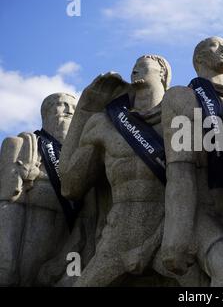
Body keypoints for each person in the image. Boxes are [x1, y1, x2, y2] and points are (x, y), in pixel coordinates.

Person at [60, 55, 174, 286]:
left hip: (168, 226)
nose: (134, 70)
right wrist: (86, 109)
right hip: (118, 232)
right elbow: (70, 186)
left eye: (143, 65)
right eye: (133, 66)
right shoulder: (105, 123)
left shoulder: (178, 117)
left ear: (163, 73)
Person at [161, 37, 223, 286]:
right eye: (215, 46)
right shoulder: (183, 97)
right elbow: (180, 170)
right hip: (202, 211)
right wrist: (177, 234)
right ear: (198, 59)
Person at [0, 93, 77, 286]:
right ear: (46, 112)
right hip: (30, 232)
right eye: (62, 105)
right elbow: (9, 198)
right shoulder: (25, 145)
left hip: (69, 237)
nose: (69, 110)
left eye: (74, 108)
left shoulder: (80, 154)